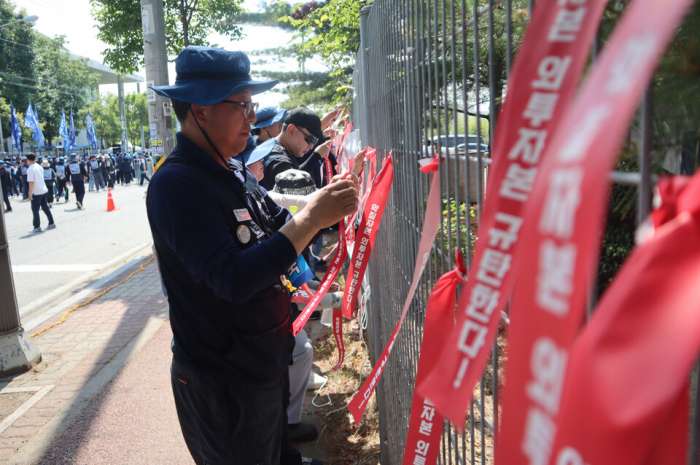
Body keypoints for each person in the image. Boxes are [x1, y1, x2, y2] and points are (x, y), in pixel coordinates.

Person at [148, 46, 357, 465]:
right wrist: (311, 219)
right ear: (201, 110)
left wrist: (324, 212)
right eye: (240, 105)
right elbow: (234, 278)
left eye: (251, 104)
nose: (252, 117)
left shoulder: (233, 169)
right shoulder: (177, 184)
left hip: (261, 356)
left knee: (274, 448)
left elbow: (276, 222)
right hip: (222, 378)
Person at [260, 108, 332, 191]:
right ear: (291, 129)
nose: (311, 146)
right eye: (310, 139)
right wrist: (316, 156)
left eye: (315, 142)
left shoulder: (274, 146)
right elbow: (297, 188)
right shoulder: (278, 161)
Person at [26, 154, 55, 233]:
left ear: (28, 160)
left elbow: (31, 182)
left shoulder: (30, 169)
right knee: (45, 207)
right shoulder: (39, 166)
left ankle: (37, 227)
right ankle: (51, 223)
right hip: (43, 190)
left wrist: (29, 193)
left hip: (36, 192)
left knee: (35, 210)